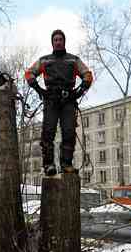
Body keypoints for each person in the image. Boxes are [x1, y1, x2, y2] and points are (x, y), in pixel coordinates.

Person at [25, 29, 93, 176]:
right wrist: (39, 89)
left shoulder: (73, 60)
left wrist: (79, 91)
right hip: (51, 100)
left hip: (68, 100)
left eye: (60, 39)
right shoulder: (44, 60)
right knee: (48, 133)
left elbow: (87, 75)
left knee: (69, 132)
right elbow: (29, 73)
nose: (58, 42)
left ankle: (66, 164)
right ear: (52, 42)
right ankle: (48, 164)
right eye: (55, 40)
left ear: (64, 41)